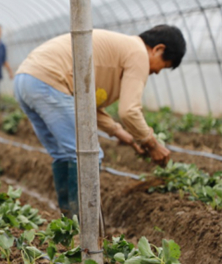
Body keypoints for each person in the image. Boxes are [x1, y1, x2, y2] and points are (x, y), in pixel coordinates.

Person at [14, 25, 184, 216]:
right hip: (49, 81)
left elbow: (86, 104)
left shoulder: (123, 48)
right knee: (88, 155)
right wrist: (151, 144)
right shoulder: (138, 54)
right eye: (165, 64)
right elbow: (129, 111)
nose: (159, 72)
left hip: (26, 79)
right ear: (158, 49)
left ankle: (70, 221)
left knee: (64, 154)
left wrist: (120, 133)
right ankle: (85, 224)